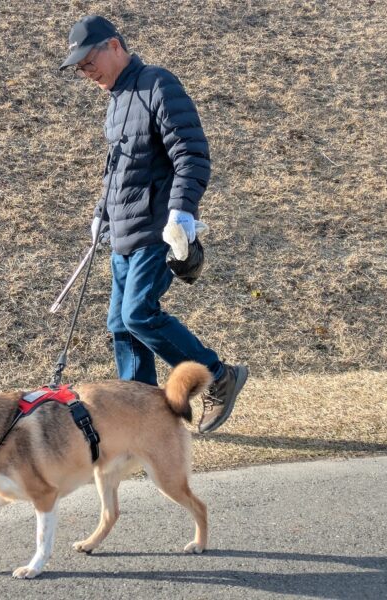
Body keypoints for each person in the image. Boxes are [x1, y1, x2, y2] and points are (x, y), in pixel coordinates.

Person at [59, 16, 248, 434]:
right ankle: (144, 419)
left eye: (88, 62)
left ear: (113, 45)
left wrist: (182, 213)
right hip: (122, 233)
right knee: (119, 325)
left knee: (139, 314)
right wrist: (100, 213)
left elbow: (191, 153)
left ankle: (219, 376)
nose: (86, 73)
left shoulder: (157, 85)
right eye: (79, 68)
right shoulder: (116, 101)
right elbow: (118, 172)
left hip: (155, 229)